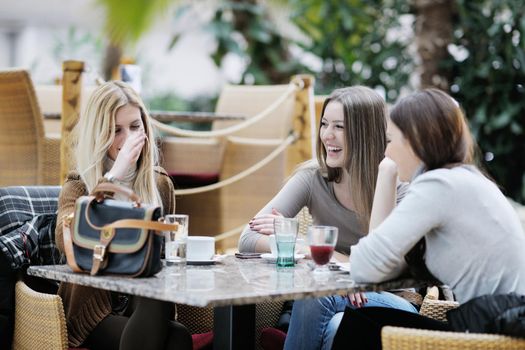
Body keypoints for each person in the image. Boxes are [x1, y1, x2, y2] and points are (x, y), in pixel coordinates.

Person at [331, 88, 525, 349]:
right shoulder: (465, 178)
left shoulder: (438, 184)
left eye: (389, 141)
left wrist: (387, 172)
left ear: (413, 141)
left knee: (360, 323)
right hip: (502, 325)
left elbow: (366, 265)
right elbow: (386, 265)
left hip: (494, 334)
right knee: (364, 318)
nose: (385, 152)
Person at [238, 86, 417, 350]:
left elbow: (383, 270)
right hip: (336, 298)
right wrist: (307, 249)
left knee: (317, 292)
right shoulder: (313, 178)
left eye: (339, 127)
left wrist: (321, 254)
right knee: (335, 327)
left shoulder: (398, 188)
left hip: (390, 301)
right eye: (324, 124)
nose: (327, 135)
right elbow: (248, 237)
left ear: (364, 133)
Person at [54, 81, 191, 350]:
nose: (128, 138)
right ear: (98, 134)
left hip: (144, 303)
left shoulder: (160, 185)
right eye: (116, 130)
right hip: (94, 310)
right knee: (175, 339)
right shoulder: (78, 186)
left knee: (177, 331)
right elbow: (67, 240)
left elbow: (166, 255)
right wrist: (114, 176)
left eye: (134, 127)